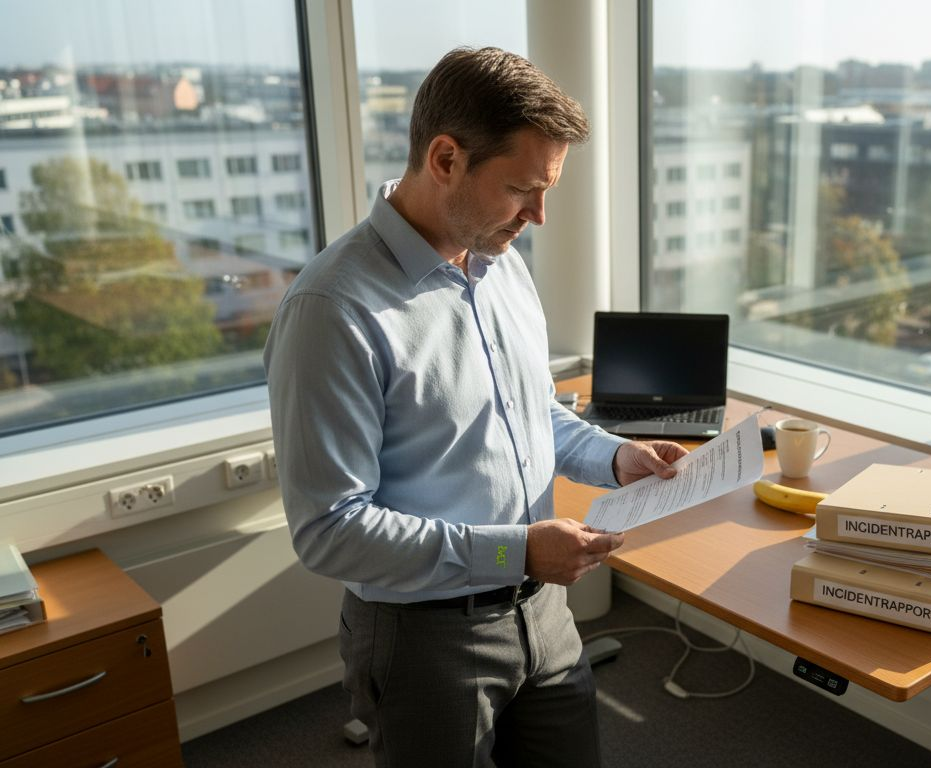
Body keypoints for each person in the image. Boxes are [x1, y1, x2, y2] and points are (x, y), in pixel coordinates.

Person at [263, 46, 688, 767]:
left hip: (544, 613)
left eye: (547, 190)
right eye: (522, 189)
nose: (539, 216)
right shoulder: (333, 308)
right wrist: (514, 550)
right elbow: (330, 530)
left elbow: (533, 414)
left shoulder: (502, 265)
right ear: (446, 159)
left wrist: (616, 457)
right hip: (425, 638)